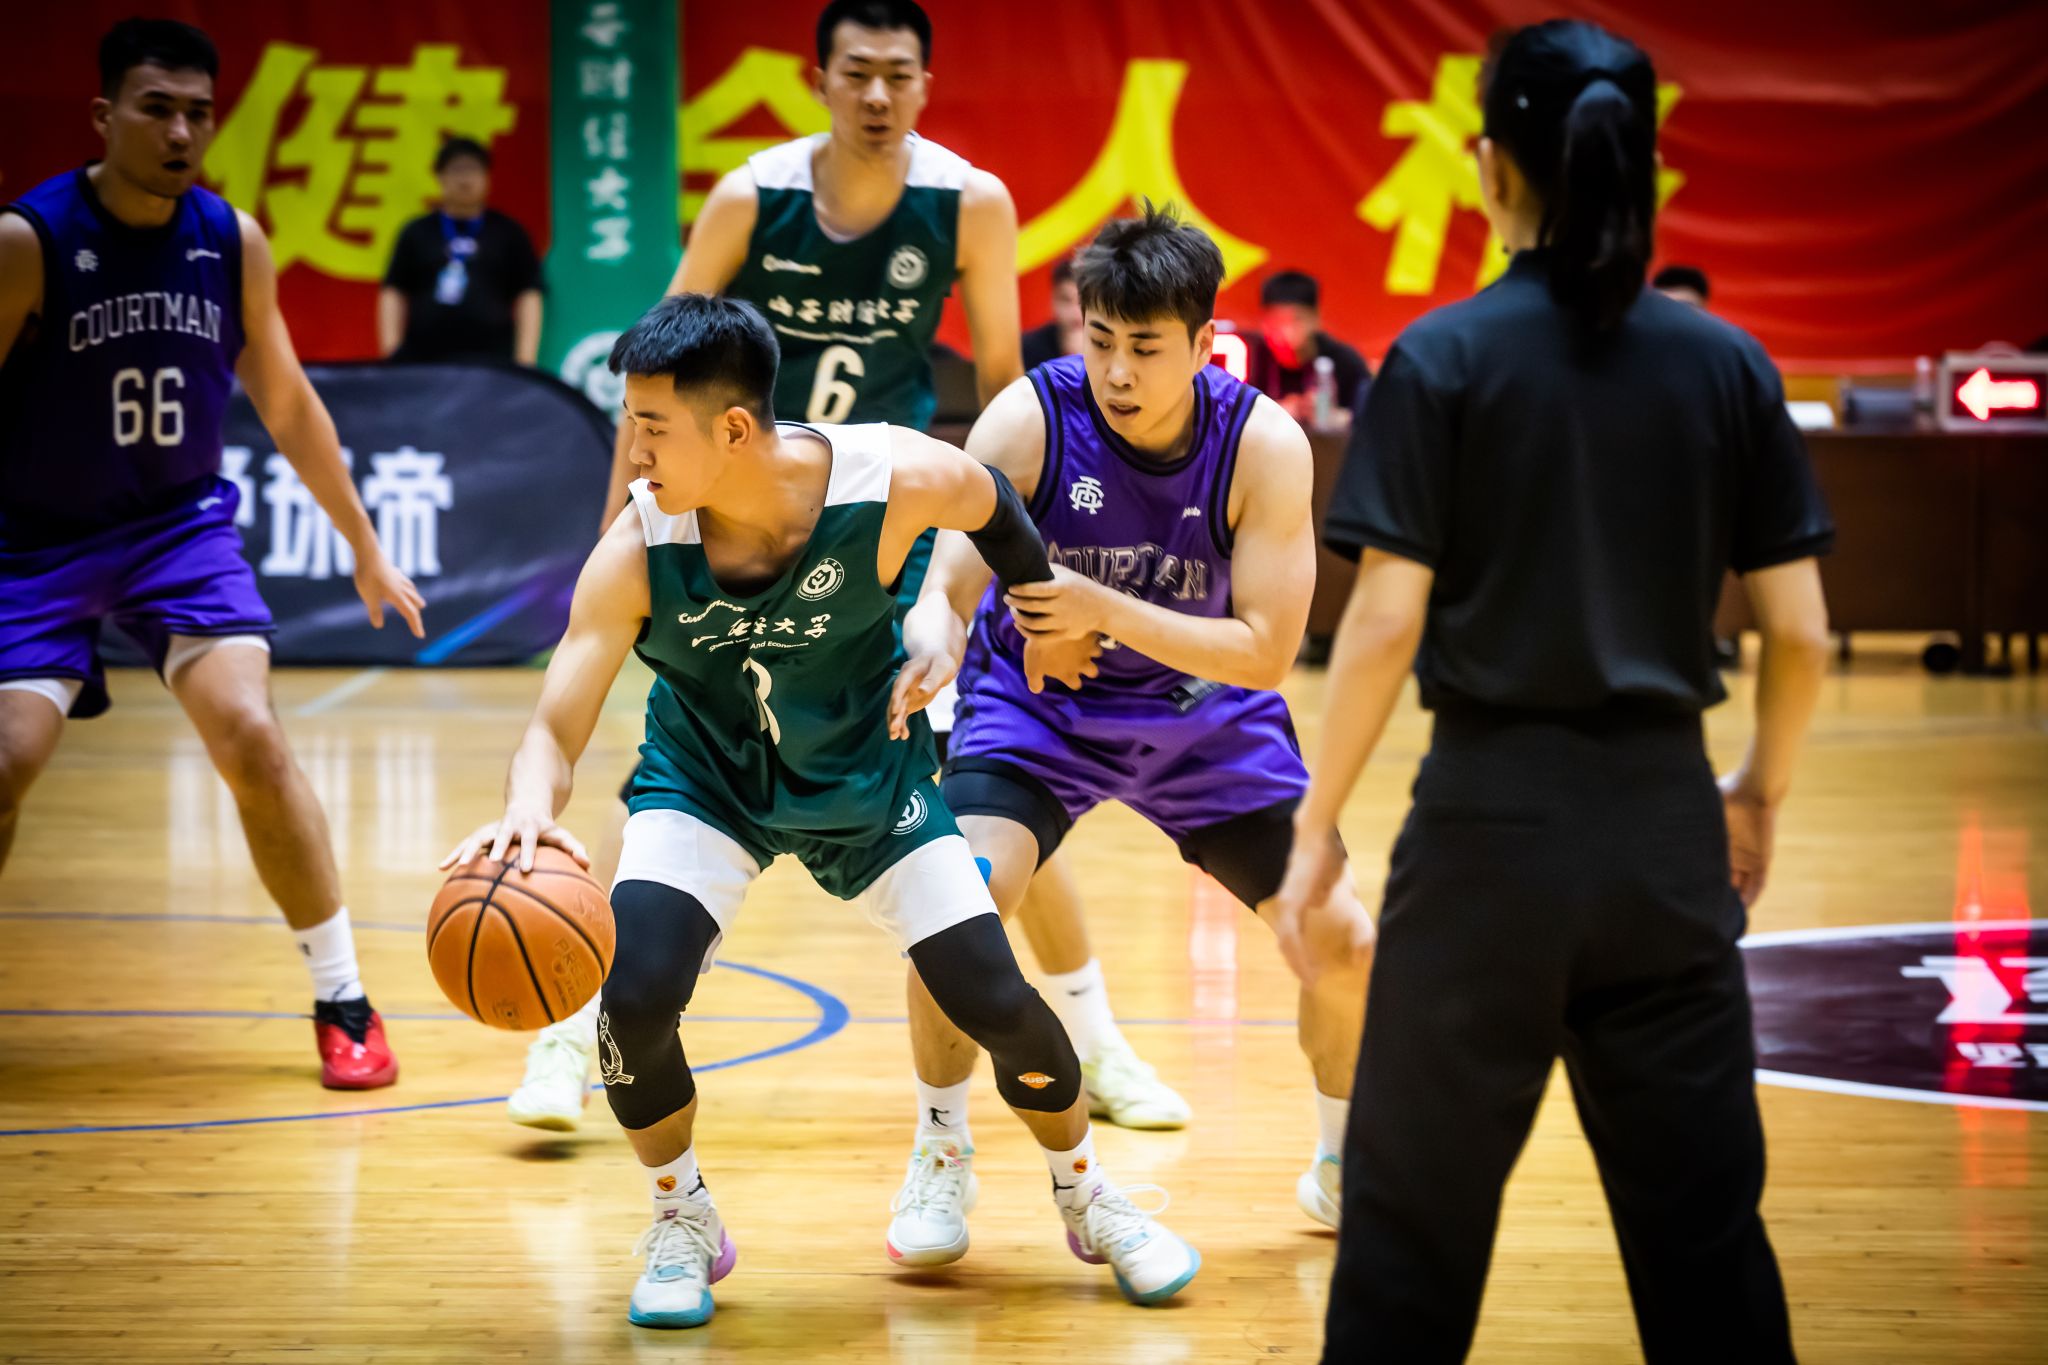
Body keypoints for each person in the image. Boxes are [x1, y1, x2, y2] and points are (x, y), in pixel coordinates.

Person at [441, 293, 1199, 1328]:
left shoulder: (886, 476)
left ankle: (1087, 1194)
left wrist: (1038, 615)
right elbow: (551, 727)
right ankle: (680, 1214)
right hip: (705, 784)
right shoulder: (636, 546)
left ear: (733, 428)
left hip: (870, 775)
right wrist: (528, 810)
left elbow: (990, 502)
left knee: (993, 998)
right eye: (631, 424)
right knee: (633, 1001)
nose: (633, 453)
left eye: (652, 428)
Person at [513, 0, 1185, 1139]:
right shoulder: (752, 197)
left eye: (900, 75)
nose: (879, 95)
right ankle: (576, 1030)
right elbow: (658, 384)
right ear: (817, 78)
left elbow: (1002, 391)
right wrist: (619, 530)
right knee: (681, 762)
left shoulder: (968, 202)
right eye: (858, 73)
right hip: (740, 512)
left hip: (887, 521)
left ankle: (1093, 1037)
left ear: (926, 82)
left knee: (987, 782)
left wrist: (995, 570)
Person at [1272, 21, 1829, 1363]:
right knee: (1706, 1252)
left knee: (1407, 1251)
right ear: (1642, 161)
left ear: (1488, 167)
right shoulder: (1727, 365)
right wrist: (1755, 792)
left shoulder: (1442, 357)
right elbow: (1801, 634)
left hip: (1487, 841)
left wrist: (1316, 824)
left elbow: (1384, 623)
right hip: (1665, 837)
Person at [883, 204, 1375, 1267]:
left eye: (1145, 347)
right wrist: (931, 635)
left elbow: (1265, 652)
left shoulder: (1263, 446)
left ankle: (1343, 1162)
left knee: (1343, 941)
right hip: (1038, 713)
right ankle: (939, 1147)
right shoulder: (1029, 418)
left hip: (1207, 720)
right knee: (953, 905)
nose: (1115, 370)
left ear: (1203, 344)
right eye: (1098, 338)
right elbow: (950, 581)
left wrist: (1101, 611)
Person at [0, 19, 426, 1089]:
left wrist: (365, 546)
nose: (182, 131)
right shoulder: (29, 240)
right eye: (157, 108)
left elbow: (287, 400)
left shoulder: (231, 239)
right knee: (7, 759)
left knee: (252, 733)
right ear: (105, 116)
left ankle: (343, 996)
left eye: (198, 111)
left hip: (176, 531)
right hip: (36, 540)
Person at [378, 137, 543, 365]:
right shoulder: (416, 232)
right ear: (440, 176)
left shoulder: (509, 232)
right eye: (457, 170)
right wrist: (392, 352)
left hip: (493, 362)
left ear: (487, 176)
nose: (465, 179)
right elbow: (394, 291)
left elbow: (529, 295)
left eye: (473, 170)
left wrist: (525, 360)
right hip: (423, 360)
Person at [1246, 270, 1371, 425]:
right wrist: (1272, 412)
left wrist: (1339, 418)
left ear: (1315, 318)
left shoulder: (1345, 362)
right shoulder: (1250, 360)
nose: (1285, 332)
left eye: (1296, 320)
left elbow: (1374, 419)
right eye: (1276, 320)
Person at [1020, 257, 1083, 369]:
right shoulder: (1029, 348)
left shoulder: (1110, 346)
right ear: (1052, 301)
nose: (1076, 312)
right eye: (1066, 300)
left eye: (1083, 302)